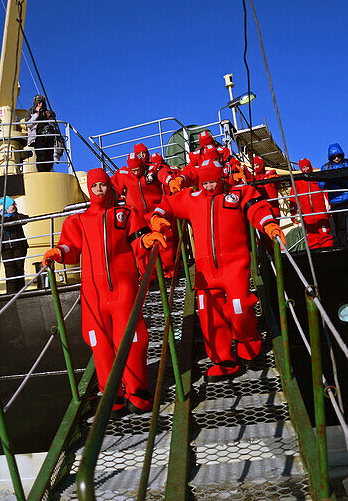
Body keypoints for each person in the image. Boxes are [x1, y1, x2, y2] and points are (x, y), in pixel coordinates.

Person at [41, 169, 166, 413]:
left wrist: (146, 241)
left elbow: (137, 239)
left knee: (130, 340)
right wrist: (58, 253)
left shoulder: (125, 214)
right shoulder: (77, 221)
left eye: (104, 185)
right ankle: (112, 394)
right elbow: (70, 247)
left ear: (110, 186)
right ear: (90, 190)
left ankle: (137, 391)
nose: (100, 190)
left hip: (123, 289)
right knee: (100, 345)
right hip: (93, 295)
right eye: (95, 186)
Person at [150, 156, 285, 381]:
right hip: (205, 272)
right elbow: (168, 204)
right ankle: (224, 360)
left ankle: (247, 339)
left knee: (240, 306)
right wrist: (157, 218)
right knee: (209, 317)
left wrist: (268, 224)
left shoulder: (238, 193)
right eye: (205, 183)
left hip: (235, 266)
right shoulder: (192, 199)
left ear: (221, 178)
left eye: (213, 181)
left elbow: (257, 208)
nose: (210, 186)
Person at [111, 143, 179, 277]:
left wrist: (170, 180)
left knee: (165, 239)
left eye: (138, 169)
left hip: (155, 212)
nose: (136, 172)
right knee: (141, 245)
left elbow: (162, 173)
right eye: (133, 170)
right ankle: (148, 275)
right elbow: (113, 187)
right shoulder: (123, 174)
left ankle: (169, 271)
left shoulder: (151, 169)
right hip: (138, 217)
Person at [0, 196, 31, 295]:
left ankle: (21, 293)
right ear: (6, 206)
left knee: (19, 269)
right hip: (5, 248)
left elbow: (26, 218)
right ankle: (11, 293)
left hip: (19, 246)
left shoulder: (17, 216)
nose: (14, 206)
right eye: (12, 204)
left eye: (14, 204)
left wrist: (11, 218)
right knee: (9, 270)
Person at [321, 143, 348, 246]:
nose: (336, 158)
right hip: (336, 201)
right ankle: (342, 245)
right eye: (334, 156)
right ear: (330, 157)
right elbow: (321, 185)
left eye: (338, 156)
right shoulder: (325, 167)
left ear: (342, 154)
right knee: (340, 225)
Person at [288, 158, 333, 249]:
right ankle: (315, 255)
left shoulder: (317, 178)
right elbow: (293, 198)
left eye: (307, 167)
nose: (305, 169)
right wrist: (293, 212)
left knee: (325, 233)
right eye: (303, 168)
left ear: (310, 166)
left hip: (320, 213)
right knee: (312, 237)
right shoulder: (298, 182)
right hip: (307, 215)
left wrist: (331, 205)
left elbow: (327, 192)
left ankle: (328, 252)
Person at [25, 95, 63, 172]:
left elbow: (55, 125)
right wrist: (37, 114)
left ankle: (48, 171)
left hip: (49, 137)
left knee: (49, 156)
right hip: (38, 137)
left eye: (42, 103)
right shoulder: (30, 112)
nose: (41, 104)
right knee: (41, 156)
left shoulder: (48, 112)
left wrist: (49, 117)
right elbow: (28, 124)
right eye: (39, 103)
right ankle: (41, 172)